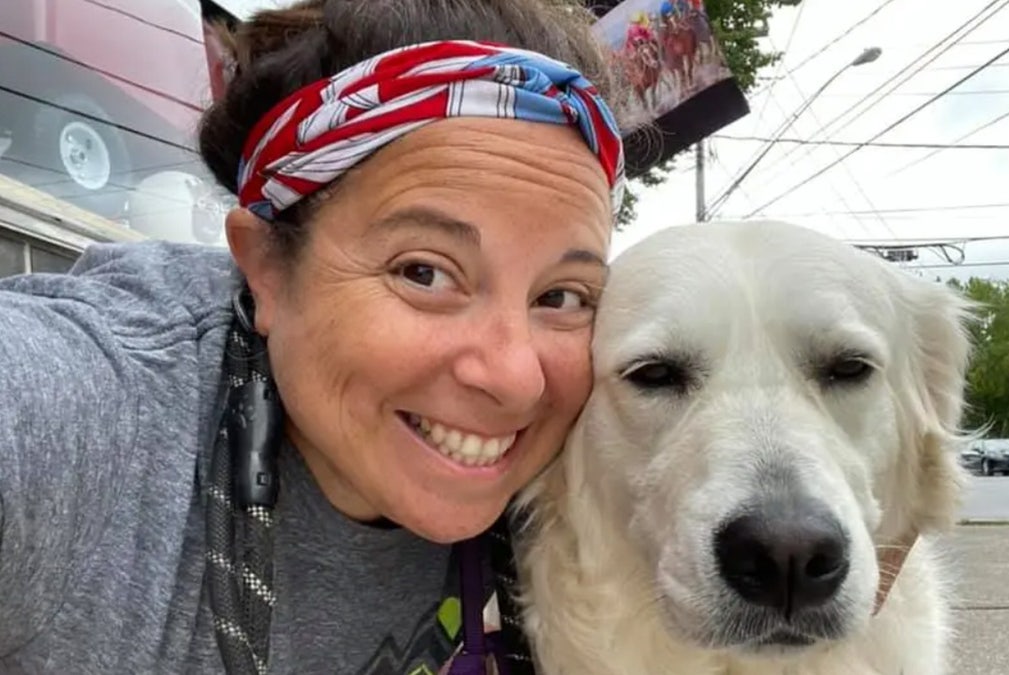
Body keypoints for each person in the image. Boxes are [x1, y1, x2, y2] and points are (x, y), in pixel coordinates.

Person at [0, 0, 627, 673]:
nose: (514, 377)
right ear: (264, 265)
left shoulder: (585, 470)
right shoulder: (101, 419)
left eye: (560, 297)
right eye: (424, 272)